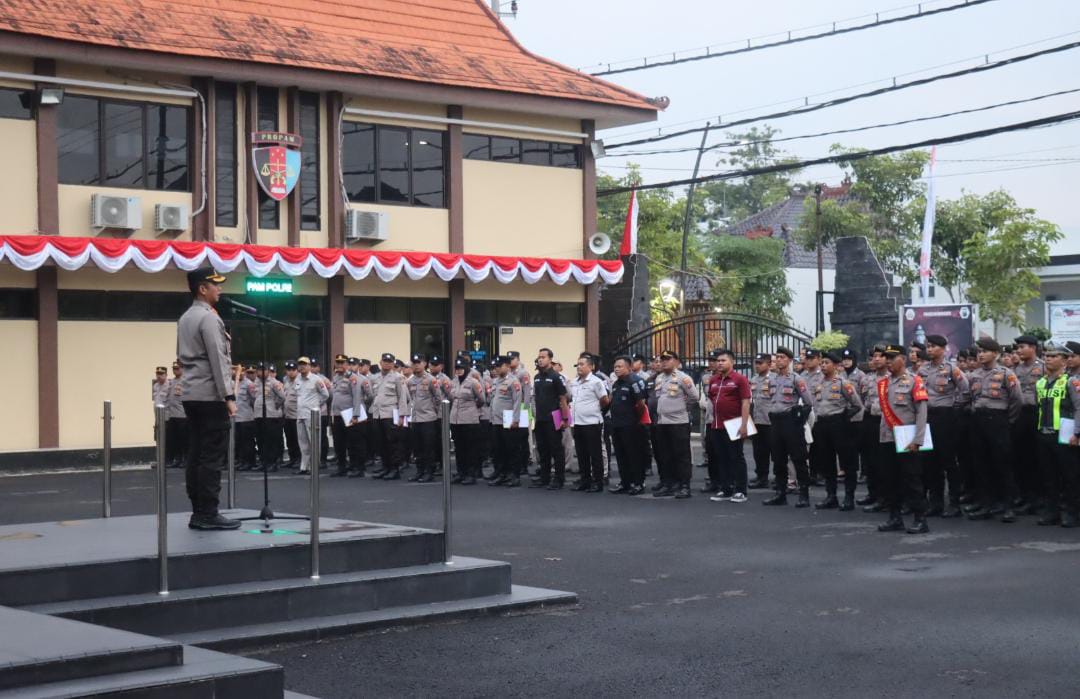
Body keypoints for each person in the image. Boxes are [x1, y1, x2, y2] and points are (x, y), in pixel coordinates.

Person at [176, 267, 240, 530]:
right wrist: (229, 395)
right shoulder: (209, 319)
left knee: (197, 453)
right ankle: (208, 512)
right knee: (212, 456)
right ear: (202, 289)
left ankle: (198, 510)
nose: (220, 289)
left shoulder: (186, 317)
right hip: (210, 395)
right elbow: (218, 359)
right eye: (215, 285)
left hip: (192, 393)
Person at [966, 338, 1022, 523]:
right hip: (978, 421)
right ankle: (986, 504)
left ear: (995, 353)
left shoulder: (1006, 374)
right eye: (979, 351)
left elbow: (1016, 401)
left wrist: (1007, 421)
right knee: (981, 464)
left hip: (998, 420)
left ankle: (1008, 506)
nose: (981, 354)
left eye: (985, 351)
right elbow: (971, 398)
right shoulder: (974, 375)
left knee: (1002, 464)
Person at [876, 344, 930, 534]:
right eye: (886, 358)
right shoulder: (883, 382)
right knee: (890, 480)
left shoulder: (915, 381)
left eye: (892, 358)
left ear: (903, 360)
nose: (888, 362)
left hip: (907, 438)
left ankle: (920, 519)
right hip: (887, 437)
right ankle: (895, 517)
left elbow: (922, 412)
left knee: (912, 480)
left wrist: (919, 439)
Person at [918, 334, 970, 517]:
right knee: (930, 463)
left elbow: (966, 391)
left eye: (933, 346)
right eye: (928, 346)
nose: (929, 349)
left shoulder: (951, 369)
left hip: (946, 417)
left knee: (948, 461)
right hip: (927, 417)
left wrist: (955, 407)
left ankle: (954, 503)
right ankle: (936, 502)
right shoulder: (922, 370)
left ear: (943, 348)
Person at [809, 352, 863, 511]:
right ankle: (831, 496)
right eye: (822, 363)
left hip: (839, 424)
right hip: (822, 424)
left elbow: (857, 404)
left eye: (827, 363)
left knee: (847, 462)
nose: (823, 365)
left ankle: (848, 497)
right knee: (826, 462)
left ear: (835, 365)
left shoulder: (843, 383)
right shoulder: (818, 383)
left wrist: (844, 418)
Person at [1034, 342, 1080, 527]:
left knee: (1069, 476)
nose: (1048, 359)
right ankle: (1051, 511)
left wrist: (1077, 433)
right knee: (1048, 476)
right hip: (1043, 434)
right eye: (1046, 355)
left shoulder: (1071, 381)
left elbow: (1079, 407)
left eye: (1054, 356)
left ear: (1064, 360)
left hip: (1065, 435)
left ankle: (1071, 512)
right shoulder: (1041, 382)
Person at [763, 347, 814, 507]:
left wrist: (798, 420)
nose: (779, 360)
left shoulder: (796, 379)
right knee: (778, 460)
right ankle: (780, 493)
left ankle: (804, 495)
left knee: (798, 459)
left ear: (790, 360)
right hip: (776, 422)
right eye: (777, 357)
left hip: (790, 422)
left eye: (782, 357)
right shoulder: (771, 380)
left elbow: (808, 402)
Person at [706, 349, 752, 504]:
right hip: (717, 424)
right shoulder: (714, 380)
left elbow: (746, 402)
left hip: (734, 423)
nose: (719, 363)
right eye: (718, 360)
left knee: (736, 457)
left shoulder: (740, 379)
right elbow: (712, 399)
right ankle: (726, 488)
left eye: (723, 360)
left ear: (732, 362)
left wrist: (744, 424)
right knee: (722, 457)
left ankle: (740, 490)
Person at [653, 350, 699, 499]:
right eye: (662, 359)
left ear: (677, 361)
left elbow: (694, 397)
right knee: (665, 455)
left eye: (668, 359)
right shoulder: (659, 378)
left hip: (678, 422)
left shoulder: (683, 378)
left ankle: (684, 485)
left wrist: (683, 409)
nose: (664, 362)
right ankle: (668, 484)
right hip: (662, 422)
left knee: (681, 455)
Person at [1012, 335, 1045, 513]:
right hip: (1019, 415)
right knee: (1021, 457)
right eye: (1017, 347)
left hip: (1036, 414)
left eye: (1022, 347)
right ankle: (1024, 495)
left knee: (1035, 458)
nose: (1018, 350)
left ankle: (1037, 498)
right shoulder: (1015, 369)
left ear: (1033, 347)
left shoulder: (1042, 367)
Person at [608, 355, 649, 495]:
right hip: (617, 424)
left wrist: (636, 419)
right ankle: (625, 482)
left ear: (629, 367)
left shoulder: (635, 381)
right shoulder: (616, 383)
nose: (617, 369)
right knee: (621, 455)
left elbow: (641, 404)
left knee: (634, 455)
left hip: (631, 425)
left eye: (620, 366)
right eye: (615, 367)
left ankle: (638, 483)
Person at [530, 348, 570, 489]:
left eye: (543, 357)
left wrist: (565, 419)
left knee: (556, 449)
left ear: (550, 359)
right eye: (539, 356)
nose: (540, 359)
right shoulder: (537, 377)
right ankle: (544, 477)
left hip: (554, 417)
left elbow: (563, 398)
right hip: (540, 418)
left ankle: (559, 479)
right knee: (542, 449)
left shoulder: (556, 377)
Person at [569, 354, 610, 493]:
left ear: (591, 366)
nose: (579, 367)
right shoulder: (574, 382)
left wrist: (593, 410)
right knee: (581, 453)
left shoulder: (596, 382)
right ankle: (585, 480)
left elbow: (604, 400)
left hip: (592, 422)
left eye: (582, 364)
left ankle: (597, 481)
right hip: (577, 423)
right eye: (578, 365)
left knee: (595, 453)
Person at [859, 346, 891, 513]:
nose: (876, 359)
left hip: (886, 421)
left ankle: (884, 498)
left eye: (880, 356)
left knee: (883, 462)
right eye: (874, 357)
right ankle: (873, 494)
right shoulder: (868, 379)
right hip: (870, 420)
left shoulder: (892, 378)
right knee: (870, 460)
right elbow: (865, 399)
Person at [371, 353, 410, 480]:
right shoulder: (375, 378)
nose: (387, 363)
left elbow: (403, 397)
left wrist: (402, 416)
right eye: (385, 361)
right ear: (380, 362)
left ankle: (395, 469)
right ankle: (386, 467)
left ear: (393, 364)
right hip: (378, 414)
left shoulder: (398, 378)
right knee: (380, 443)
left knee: (393, 443)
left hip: (391, 414)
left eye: (389, 361)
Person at [488, 356, 523, 487]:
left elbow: (517, 401)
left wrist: (516, 419)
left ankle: (514, 475)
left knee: (512, 449)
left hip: (509, 418)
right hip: (496, 420)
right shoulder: (496, 381)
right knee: (499, 449)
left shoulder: (513, 382)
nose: (496, 368)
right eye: (495, 366)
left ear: (507, 366)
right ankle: (502, 473)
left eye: (499, 365)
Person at [449, 359, 486, 485]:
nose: (458, 370)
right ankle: (461, 472)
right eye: (457, 368)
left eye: (461, 368)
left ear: (466, 369)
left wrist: (471, 408)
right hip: (455, 419)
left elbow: (481, 399)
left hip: (469, 420)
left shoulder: (473, 382)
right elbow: (450, 398)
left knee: (470, 448)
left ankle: (471, 474)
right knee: (459, 448)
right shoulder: (453, 382)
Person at [407, 353, 441, 483]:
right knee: (417, 448)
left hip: (428, 418)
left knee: (428, 447)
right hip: (415, 418)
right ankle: (419, 471)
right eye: (414, 363)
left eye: (419, 362)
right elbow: (410, 398)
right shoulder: (410, 381)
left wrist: (433, 413)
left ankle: (429, 472)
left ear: (425, 364)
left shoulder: (431, 380)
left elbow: (438, 398)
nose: (416, 365)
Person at [294, 356, 329, 474]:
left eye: (304, 364)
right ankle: (304, 467)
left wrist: (315, 405)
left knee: (314, 441)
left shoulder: (316, 379)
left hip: (311, 415)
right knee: (303, 443)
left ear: (309, 366)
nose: (302, 366)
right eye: (300, 364)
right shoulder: (297, 379)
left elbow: (325, 395)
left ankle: (314, 466)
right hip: (300, 415)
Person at [748, 354, 774, 490]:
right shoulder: (754, 379)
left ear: (769, 364)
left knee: (775, 452)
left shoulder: (774, 379)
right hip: (757, 420)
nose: (757, 365)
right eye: (756, 363)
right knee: (759, 452)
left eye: (760, 363)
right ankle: (761, 477)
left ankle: (779, 477)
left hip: (770, 421)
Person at [253, 363, 285, 472]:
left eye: (264, 370)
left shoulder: (274, 383)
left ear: (267, 371)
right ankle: (264, 462)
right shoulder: (256, 383)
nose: (261, 372)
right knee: (260, 440)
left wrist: (275, 406)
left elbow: (282, 396)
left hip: (271, 415)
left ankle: (273, 462)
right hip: (258, 415)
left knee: (271, 440)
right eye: (259, 370)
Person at [234, 365, 258, 471]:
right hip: (237, 417)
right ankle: (242, 461)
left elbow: (254, 400)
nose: (241, 374)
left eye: (243, 372)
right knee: (239, 442)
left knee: (247, 442)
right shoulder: (235, 384)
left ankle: (250, 462)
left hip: (247, 417)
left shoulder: (249, 384)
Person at [164, 363, 188, 469]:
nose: (175, 370)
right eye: (174, 369)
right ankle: (177, 459)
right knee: (174, 439)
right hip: (172, 415)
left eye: (177, 368)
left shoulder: (186, 381)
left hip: (182, 415)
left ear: (182, 369)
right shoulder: (171, 382)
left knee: (184, 440)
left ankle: (185, 459)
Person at [282, 361, 301, 468]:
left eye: (293, 370)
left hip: (297, 414)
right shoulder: (286, 381)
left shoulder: (300, 381)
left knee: (298, 439)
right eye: (288, 370)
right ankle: (292, 458)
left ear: (296, 370)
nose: (291, 372)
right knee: (290, 439)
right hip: (287, 415)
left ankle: (299, 459)